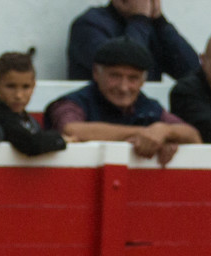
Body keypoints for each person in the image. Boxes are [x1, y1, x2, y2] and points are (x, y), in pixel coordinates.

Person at [45, 38, 200, 165]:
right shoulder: (72, 103)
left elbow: (193, 136)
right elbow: (71, 130)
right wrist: (145, 133)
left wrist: (164, 131)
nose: (123, 87)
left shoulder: (149, 107)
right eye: (115, 76)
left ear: (143, 81)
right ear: (96, 73)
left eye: (133, 78)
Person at [67, 0, 198, 81]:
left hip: (145, 110)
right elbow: (126, 66)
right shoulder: (89, 25)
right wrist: (139, 19)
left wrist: (160, 21)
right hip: (99, 111)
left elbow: (193, 73)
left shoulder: (153, 27)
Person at [0, 50, 68, 156]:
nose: (18, 95)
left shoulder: (30, 121)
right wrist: (61, 139)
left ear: (33, 86)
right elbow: (30, 143)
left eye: (26, 87)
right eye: (11, 86)